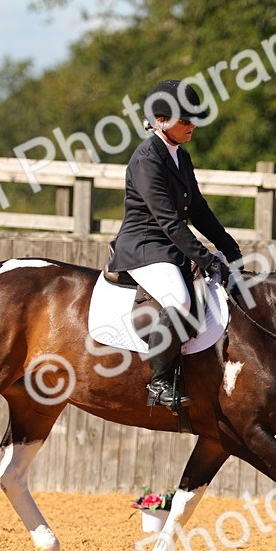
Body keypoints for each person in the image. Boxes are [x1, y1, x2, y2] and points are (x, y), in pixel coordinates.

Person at [107, 78, 244, 410]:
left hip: (168, 245)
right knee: (180, 299)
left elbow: (198, 209)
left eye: (194, 119)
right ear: (160, 121)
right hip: (144, 246)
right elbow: (169, 221)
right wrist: (207, 259)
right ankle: (158, 383)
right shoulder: (146, 159)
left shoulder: (180, 155)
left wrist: (228, 246)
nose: (192, 125)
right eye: (185, 120)